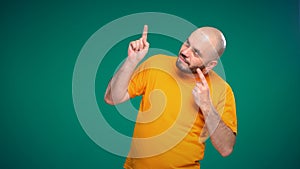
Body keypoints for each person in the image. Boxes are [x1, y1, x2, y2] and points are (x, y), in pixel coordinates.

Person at [104, 25, 237, 169]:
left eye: (196, 53)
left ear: (210, 65)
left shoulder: (222, 90)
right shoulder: (156, 63)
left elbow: (226, 149)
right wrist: (131, 61)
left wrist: (206, 105)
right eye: (187, 43)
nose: (185, 52)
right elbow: (111, 98)